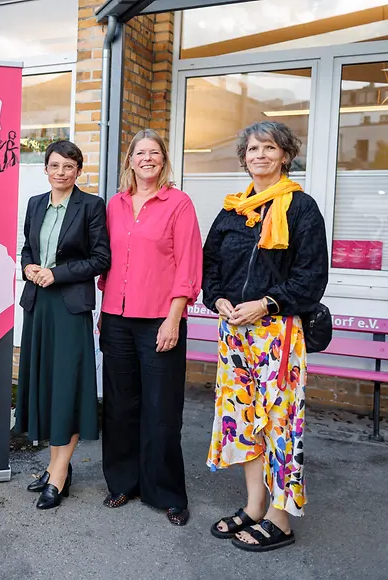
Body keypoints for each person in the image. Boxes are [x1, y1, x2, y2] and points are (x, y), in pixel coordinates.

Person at [203, 121, 328, 551]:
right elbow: (211, 268)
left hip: (278, 334)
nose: (259, 155)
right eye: (252, 148)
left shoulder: (301, 208)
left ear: (285, 155)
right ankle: (255, 505)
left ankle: (281, 518)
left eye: (268, 147)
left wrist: (266, 303)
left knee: (279, 424)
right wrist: (217, 300)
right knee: (243, 424)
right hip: (235, 334)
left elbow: (312, 277)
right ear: (244, 158)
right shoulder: (232, 210)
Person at [97, 129, 203, 526]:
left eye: (154, 152)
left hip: (161, 320)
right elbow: (107, 264)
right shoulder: (115, 205)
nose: (147, 158)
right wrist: (104, 312)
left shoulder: (179, 203)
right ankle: (124, 482)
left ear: (163, 160)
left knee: (161, 411)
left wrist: (174, 317)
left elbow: (189, 265)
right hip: (116, 319)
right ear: (130, 160)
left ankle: (167, 493)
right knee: (121, 407)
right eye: (140, 153)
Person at [13, 139, 111, 510]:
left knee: (67, 387)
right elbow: (27, 248)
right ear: (46, 169)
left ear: (78, 171)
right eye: (55, 166)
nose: (61, 172)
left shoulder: (91, 206)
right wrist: (28, 267)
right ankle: (58, 468)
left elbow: (101, 258)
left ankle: (57, 472)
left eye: (68, 167)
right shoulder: (36, 203)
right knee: (47, 386)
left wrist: (58, 273)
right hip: (38, 305)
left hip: (69, 307)